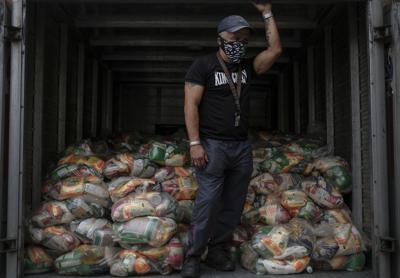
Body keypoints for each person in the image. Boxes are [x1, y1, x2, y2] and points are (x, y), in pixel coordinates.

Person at [182, 1, 281, 277]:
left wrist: (266, 13)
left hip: (241, 147)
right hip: (212, 145)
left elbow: (275, 50)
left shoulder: (247, 69)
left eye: (244, 39)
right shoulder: (203, 66)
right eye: (234, 38)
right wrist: (195, 143)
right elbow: (190, 105)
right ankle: (193, 256)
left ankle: (217, 251)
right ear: (220, 39)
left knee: (233, 204)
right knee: (208, 202)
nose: (239, 43)